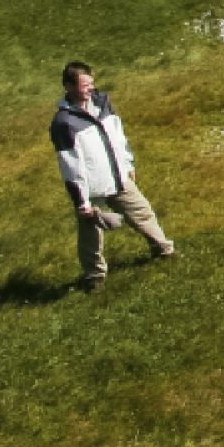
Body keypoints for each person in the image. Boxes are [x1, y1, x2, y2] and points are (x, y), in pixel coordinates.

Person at [50, 61, 174, 290]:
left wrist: (127, 163)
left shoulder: (102, 102)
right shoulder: (63, 124)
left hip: (118, 176)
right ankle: (94, 276)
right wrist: (81, 202)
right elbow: (70, 165)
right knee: (90, 234)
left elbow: (118, 134)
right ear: (68, 86)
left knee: (143, 211)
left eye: (91, 83)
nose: (90, 89)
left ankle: (163, 250)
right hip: (91, 188)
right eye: (84, 85)